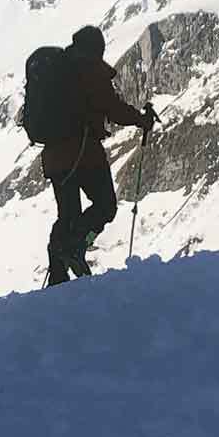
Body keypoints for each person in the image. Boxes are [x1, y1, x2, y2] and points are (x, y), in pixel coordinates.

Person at [44, 25, 157, 285]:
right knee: (105, 206)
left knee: (67, 215)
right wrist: (141, 120)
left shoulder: (59, 69)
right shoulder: (90, 70)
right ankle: (75, 246)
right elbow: (113, 108)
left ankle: (58, 276)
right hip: (83, 153)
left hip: (54, 157)